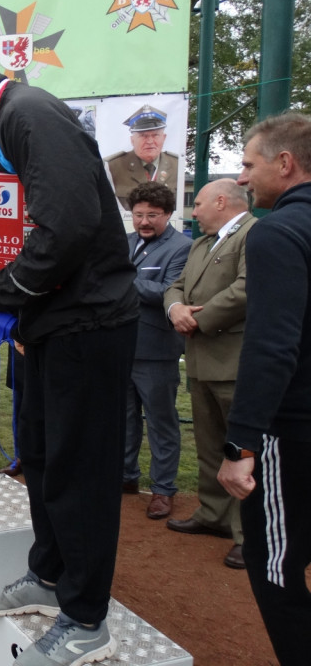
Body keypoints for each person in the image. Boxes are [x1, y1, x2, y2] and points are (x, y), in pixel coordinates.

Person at [0, 40, 138, 666]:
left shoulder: (27, 112)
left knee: (79, 471)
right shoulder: (10, 119)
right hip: (50, 325)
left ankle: (88, 618)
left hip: (88, 324)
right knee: (39, 456)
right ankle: (49, 573)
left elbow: (69, 224)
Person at [217, 112, 311, 666]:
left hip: (293, 431)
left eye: (249, 165)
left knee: (275, 563)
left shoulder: (277, 232)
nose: (244, 178)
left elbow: (273, 346)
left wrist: (241, 447)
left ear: (285, 162)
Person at [164, 178, 254, 569]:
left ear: (221, 201)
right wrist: (175, 310)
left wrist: (199, 320)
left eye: (197, 204)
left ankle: (248, 534)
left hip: (234, 360)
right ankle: (212, 514)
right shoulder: (201, 243)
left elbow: (247, 290)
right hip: (201, 360)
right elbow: (177, 286)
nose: (194, 211)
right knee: (209, 444)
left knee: (244, 452)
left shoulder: (254, 235)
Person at [121, 182, 191, 519]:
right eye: (138, 215)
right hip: (121, 347)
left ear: (168, 214)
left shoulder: (182, 247)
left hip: (157, 349)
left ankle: (163, 490)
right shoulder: (128, 242)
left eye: (152, 215)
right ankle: (126, 477)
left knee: (162, 423)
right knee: (124, 418)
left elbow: (168, 291)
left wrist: (121, 277)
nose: (144, 221)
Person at [104, 105, 180, 210]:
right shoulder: (113, 166)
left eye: (155, 135)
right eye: (143, 136)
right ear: (132, 140)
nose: (149, 141)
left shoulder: (177, 164)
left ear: (164, 138)